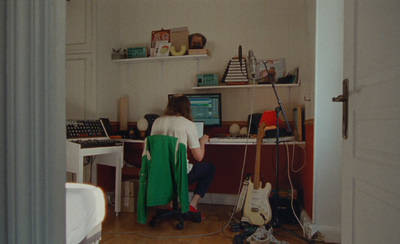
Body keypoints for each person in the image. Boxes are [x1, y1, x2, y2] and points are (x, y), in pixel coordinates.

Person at [151, 94, 216, 217]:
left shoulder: (157, 122)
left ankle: (171, 206)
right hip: (180, 174)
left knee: (170, 167)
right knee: (210, 168)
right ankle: (193, 204)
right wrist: (202, 142)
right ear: (187, 107)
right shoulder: (187, 124)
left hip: (160, 173)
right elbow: (199, 157)